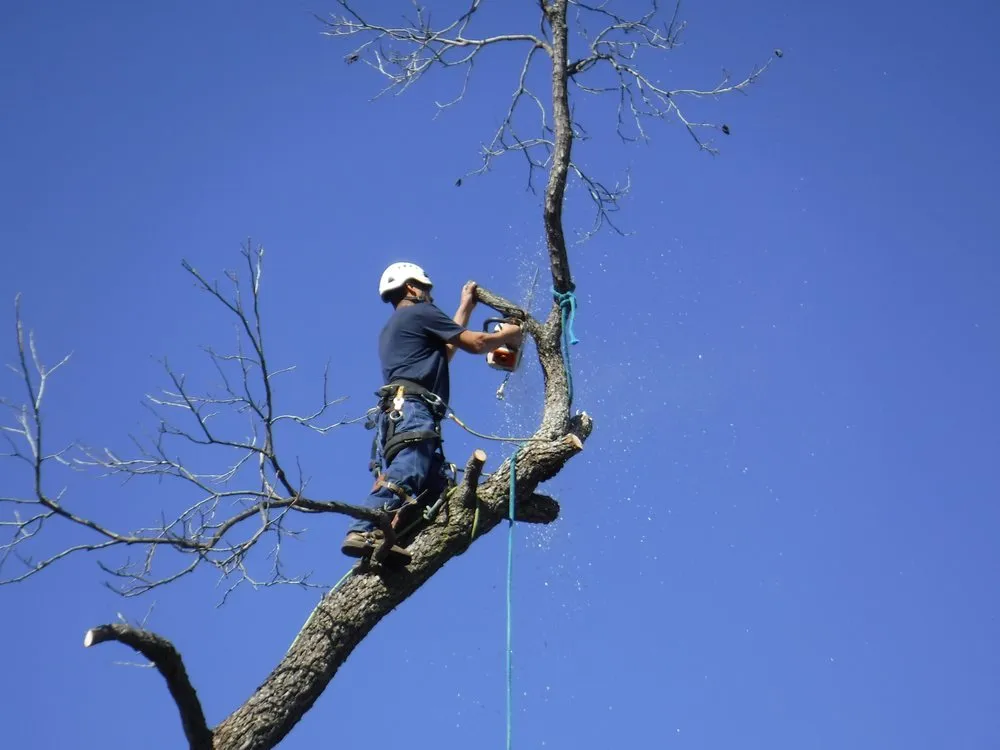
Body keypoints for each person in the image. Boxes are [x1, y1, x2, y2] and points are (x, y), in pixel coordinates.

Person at [341, 261, 523, 562]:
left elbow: (445, 351)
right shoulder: (420, 313)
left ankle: (386, 543)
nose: (431, 296)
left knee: (435, 492)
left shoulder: (399, 325)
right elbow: (476, 343)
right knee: (411, 467)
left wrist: (466, 307)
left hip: (402, 413)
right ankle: (364, 528)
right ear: (412, 287)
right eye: (427, 289)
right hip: (412, 411)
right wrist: (512, 332)